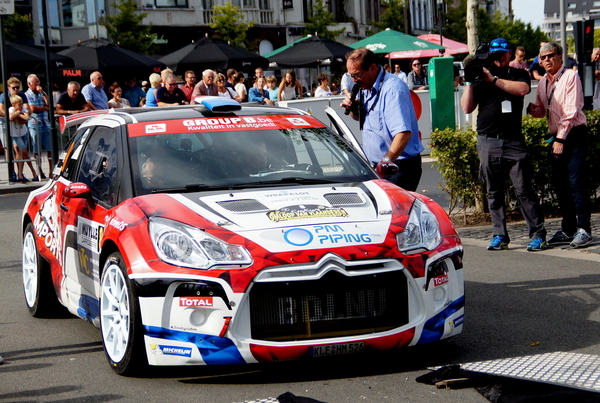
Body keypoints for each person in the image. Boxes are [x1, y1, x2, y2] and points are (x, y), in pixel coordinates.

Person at [461, 37, 547, 252]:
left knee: (523, 188)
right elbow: (466, 108)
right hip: (488, 140)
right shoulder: (482, 76)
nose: (499, 58)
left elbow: (522, 90)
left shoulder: (518, 73)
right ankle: (500, 235)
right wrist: (470, 81)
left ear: (509, 54)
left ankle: (537, 234)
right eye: (495, 55)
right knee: (494, 191)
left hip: (513, 140)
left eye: (503, 54)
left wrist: (494, 79)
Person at [528, 42, 592, 248]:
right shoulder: (544, 82)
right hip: (557, 136)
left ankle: (584, 229)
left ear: (560, 56)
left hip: (572, 135)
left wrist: (561, 139)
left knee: (576, 183)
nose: (546, 60)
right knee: (561, 185)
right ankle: (568, 228)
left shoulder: (570, 76)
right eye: (542, 57)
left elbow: (571, 111)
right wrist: (533, 110)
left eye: (550, 56)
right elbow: (543, 111)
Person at [340, 48, 423, 191]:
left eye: (357, 75)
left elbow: (403, 133)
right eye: (351, 76)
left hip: (397, 166)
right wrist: (354, 109)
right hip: (378, 166)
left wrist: (386, 161)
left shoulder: (393, 89)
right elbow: (362, 118)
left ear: (372, 68)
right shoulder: (365, 85)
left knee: (394, 211)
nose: (354, 80)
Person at [25, 74, 53, 179]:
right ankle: (39, 171)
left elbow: (49, 104)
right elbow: (33, 108)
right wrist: (45, 108)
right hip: (34, 124)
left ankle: (51, 171)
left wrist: (43, 93)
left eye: (38, 82)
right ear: (29, 84)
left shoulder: (42, 93)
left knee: (50, 149)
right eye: (35, 82)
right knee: (37, 150)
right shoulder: (27, 95)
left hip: (45, 123)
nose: (37, 84)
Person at [9, 94, 38, 182]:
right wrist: (18, 112)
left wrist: (18, 114)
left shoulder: (23, 109)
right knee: (23, 151)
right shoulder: (11, 109)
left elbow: (27, 117)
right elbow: (11, 117)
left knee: (23, 153)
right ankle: (31, 172)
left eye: (22, 104)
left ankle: (22, 174)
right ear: (14, 105)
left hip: (23, 132)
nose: (21, 106)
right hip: (15, 134)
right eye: (19, 104)